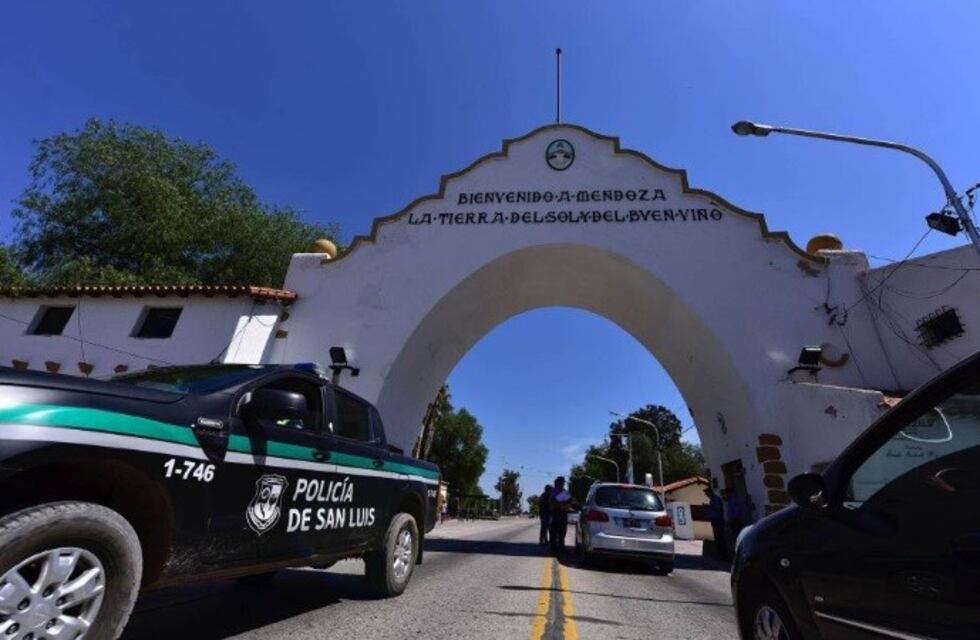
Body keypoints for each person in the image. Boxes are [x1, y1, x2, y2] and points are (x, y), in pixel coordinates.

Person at [549, 477, 573, 554]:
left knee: (562, 531)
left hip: (563, 513)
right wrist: (562, 503)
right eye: (561, 482)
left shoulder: (565, 492)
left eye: (563, 482)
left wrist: (567, 503)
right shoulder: (554, 491)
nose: (562, 484)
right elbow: (552, 502)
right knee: (554, 531)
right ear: (557, 482)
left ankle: (561, 546)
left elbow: (570, 501)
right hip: (556, 513)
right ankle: (553, 548)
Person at [705, 486, 726, 559]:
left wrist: (709, 507)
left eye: (707, 493)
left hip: (718, 520)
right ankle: (720, 553)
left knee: (720, 537)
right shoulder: (712, 499)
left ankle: (723, 554)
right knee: (717, 537)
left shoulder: (716, 499)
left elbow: (718, 509)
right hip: (714, 520)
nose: (707, 495)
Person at [725, 490, 746, 557]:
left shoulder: (736, 501)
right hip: (733, 521)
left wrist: (732, 519)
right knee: (734, 537)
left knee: (737, 537)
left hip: (736, 521)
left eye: (728, 493)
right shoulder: (731, 501)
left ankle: (739, 554)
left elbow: (736, 512)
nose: (727, 495)